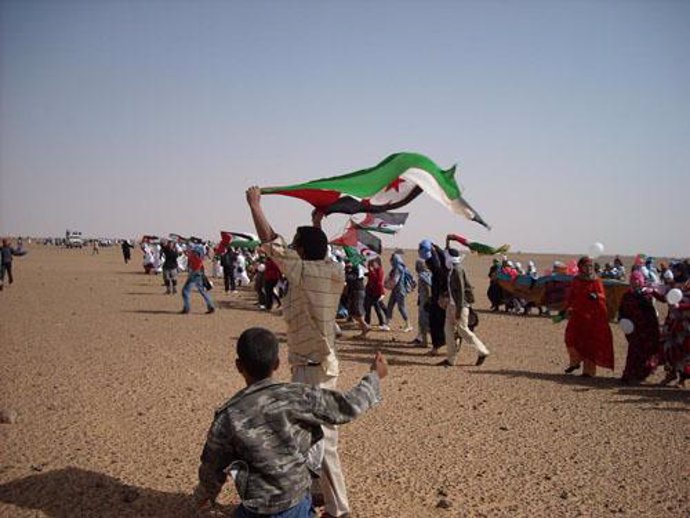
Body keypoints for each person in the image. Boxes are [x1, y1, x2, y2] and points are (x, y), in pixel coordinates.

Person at [193, 327, 387, 517]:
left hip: (257, 508)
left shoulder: (229, 415)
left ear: (239, 366)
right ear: (277, 363)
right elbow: (348, 406)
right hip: (296, 504)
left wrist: (203, 498)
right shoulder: (297, 396)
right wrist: (374, 376)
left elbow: (212, 467)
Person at [246, 186, 351, 518]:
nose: (290, 249)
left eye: (296, 246)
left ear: (301, 251)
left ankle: (337, 510)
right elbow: (317, 254)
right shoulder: (332, 272)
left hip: (313, 369)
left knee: (322, 443)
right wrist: (317, 224)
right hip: (314, 365)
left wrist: (255, 205)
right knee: (312, 438)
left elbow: (272, 243)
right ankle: (322, 501)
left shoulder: (304, 272)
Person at [563, 256, 614, 377]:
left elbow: (602, 296)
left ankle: (588, 372)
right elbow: (571, 295)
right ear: (580, 267)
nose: (588, 268)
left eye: (590, 266)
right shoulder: (576, 280)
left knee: (590, 343)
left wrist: (597, 296)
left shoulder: (596, 280)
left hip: (592, 317)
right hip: (577, 315)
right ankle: (575, 362)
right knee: (570, 338)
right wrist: (567, 308)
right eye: (586, 266)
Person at [441, 247, 490, 367]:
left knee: (463, 331)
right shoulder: (452, 270)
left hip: (459, 306)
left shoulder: (458, 270)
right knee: (448, 332)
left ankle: (482, 351)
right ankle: (450, 359)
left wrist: (458, 308)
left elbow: (461, 291)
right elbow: (453, 288)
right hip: (451, 305)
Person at [618, 270, 659, 384]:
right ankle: (629, 374)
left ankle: (641, 374)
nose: (635, 282)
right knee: (633, 350)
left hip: (647, 327)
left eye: (637, 280)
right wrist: (621, 319)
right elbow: (622, 309)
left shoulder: (648, 294)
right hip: (633, 328)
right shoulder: (627, 295)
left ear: (641, 281)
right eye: (633, 280)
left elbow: (656, 305)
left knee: (646, 351)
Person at [180, 244, 215, 314]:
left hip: (194, 273)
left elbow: (195, 263)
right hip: (198, 273)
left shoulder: (194, 253)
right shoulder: (198, 250)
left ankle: (186, 308)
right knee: (202, 290)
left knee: (185, 291)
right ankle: (211, 306)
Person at [384, 251, 413, 332]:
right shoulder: (395, 268)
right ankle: (387, 323)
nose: (390, 261)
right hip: (395, 290)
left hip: (400, 290)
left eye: (392, 259)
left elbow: (395, 280)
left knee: (401, 307)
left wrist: (387, 286)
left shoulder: (398, 268)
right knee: (390, 305)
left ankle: (408, 324)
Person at [411, 258, 432, 347]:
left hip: (426, 302)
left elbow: (428, 288)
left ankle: (425, 342)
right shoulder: (428, 274)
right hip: (424, 300)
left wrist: (428, 300)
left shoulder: (423, 276)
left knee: (423, 322)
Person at [364, 257, 389, 331]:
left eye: (373, 263)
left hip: (377, 292)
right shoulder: (373, 269)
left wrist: (381, 293)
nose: (372, 264)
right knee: (367, 307)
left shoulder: (380, 270)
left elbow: (378, 281)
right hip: (370, 291)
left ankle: (382, 322)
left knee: (377, 307)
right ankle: (367, 322)